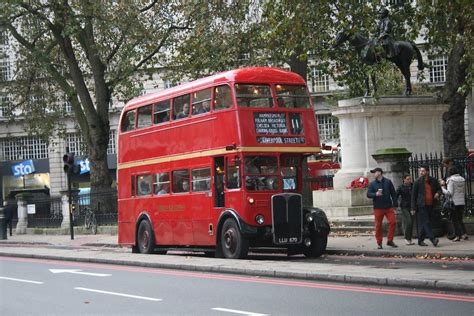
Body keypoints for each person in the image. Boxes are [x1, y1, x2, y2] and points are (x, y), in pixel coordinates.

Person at [366, 167, 398, 249]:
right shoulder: (372, 184)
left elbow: (393, 193)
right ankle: (379, 243)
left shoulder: (388, 182)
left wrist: (395, 205)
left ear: (379, 173)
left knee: (393, 222)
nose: (374, 174)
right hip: (378, 207)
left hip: (388, 206)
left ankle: (390, 240)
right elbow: (368, 194)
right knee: (378, 225)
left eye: (375, 172)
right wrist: (375, 194)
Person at [411, 164, 441, 247]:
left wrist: (438, 193)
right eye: (420, 171)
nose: (421, 172)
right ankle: (433, 239)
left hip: (431, 204)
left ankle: (420, 240)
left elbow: (439, 189)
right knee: (426, 222)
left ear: (427, 171)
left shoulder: (433, 180)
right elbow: (413, 195)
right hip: (421, 205)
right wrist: (413, 208)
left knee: (427, 223)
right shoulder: (417, 181)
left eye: (423, 171)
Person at [441, 167, 468, 241]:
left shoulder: (451, 180)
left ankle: (457, 236)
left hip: (454, 203)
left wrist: (442, 188)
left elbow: (450, 193)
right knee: (460, 219)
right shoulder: (462, 179)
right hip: (461, 202)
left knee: (454, 220)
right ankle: (464, 234)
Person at [397, 174, 414, 245]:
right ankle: (406, 238)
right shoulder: (401, 187)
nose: (409, 180)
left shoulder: (413, 186)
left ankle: (409, 239)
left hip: (412, 206)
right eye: (407, 179)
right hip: (404, 206)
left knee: (411, 223)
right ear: (404, 180)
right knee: (409, 222)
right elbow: (396, 195)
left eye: (410, 179)